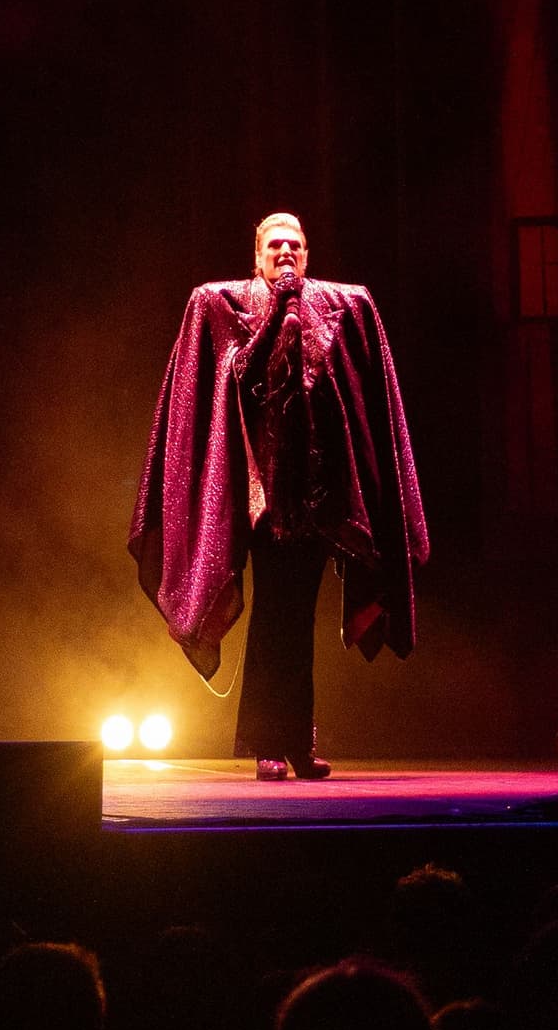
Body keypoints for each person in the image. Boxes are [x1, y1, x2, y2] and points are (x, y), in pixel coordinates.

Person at [129, 212, 429, 780]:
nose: (286, 252)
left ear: (307, 255)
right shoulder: (228, 305)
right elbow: (238, 379)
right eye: (275, 245)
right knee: (274, 616)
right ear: (259, 256)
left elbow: (359, 400)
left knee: (295, 619)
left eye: (296, 245)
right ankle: (271, 742)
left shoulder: (339, 307)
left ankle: (292, 741)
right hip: (258, 500)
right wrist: (277, 319)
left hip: (315, 503)